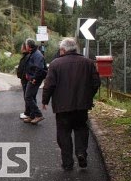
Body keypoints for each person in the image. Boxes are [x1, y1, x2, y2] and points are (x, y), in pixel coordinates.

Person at [42, 37, 101, 171]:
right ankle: (81, 153)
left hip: (62, 107)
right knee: (81, 129)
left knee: (64, 133)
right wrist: (88, 97)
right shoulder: (88, 62)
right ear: (75, 48)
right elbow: (96, 83)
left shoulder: (55, 64)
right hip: (82, 106)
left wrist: (45, 100)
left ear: (63, 50)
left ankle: (67, 163)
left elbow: (49, 84)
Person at [23, 38, 46, 124]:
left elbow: (39, 68)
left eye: (26, 45)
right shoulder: (33, 53)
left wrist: (34, 78)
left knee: (28, 97)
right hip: (32, 78)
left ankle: (38, 115)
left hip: (35, 79)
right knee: (31, 97)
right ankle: (32, 116)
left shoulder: (37, 54)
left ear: (28, 46)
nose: (25, 46)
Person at [16, 41, 30, 120]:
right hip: (24, 79)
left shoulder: (27, 56)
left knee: (27, 96)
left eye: (22, 47)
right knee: (27, 96)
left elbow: (25, 69)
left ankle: (28, 113)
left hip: (26, 79)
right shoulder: (26, 56)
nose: (21, 48)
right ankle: (27, 112)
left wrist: (23, 77)